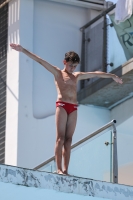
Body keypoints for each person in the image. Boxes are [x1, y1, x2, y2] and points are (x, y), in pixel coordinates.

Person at [10, 43, 123, 175]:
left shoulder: (77, 76)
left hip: (73, 107)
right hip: (62, 106)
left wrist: (112, 76)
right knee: (60, 138)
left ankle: (66, 170)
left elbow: (95, 74)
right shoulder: (58, 73)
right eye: (70, 65)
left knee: (69, 140)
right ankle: (58, 169)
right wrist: (23, 50)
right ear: (64, 62)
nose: (73, 69)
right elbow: (40, 61)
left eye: (75, 66)